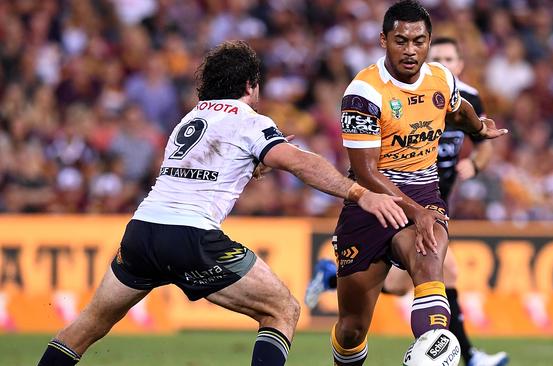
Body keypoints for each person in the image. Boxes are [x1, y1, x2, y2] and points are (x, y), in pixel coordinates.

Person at [36, 40, 408, 366]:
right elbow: (296, 162)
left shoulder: (189, 119)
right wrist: (359, 192)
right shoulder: (249, 120)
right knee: (283, 310)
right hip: (190, 236)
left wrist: (254, 165)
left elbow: (200, 170)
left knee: (88, 325)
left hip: (141, 232)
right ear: (250, 85)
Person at [321, 2, 507, 365]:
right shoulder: (363, 93)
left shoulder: (441, 78)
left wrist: (479, 127)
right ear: (383, 40)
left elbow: (458, 109)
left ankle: (434, 348)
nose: (410, 50)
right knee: (352, 329)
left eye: (419, 41)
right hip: (372, 203)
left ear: (429, 42)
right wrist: (415, 212)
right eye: (400, 41)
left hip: (424, 191)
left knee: (430, 255)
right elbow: (366, 174)